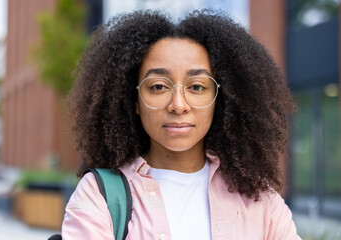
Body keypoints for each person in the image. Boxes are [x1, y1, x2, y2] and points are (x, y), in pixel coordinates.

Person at [62, 9, 301, 240]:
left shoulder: (260, 200)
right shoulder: (100, 196)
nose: (178, 105)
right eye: (158, 86)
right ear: (134, 100)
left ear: (220, 98)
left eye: (197, 86)